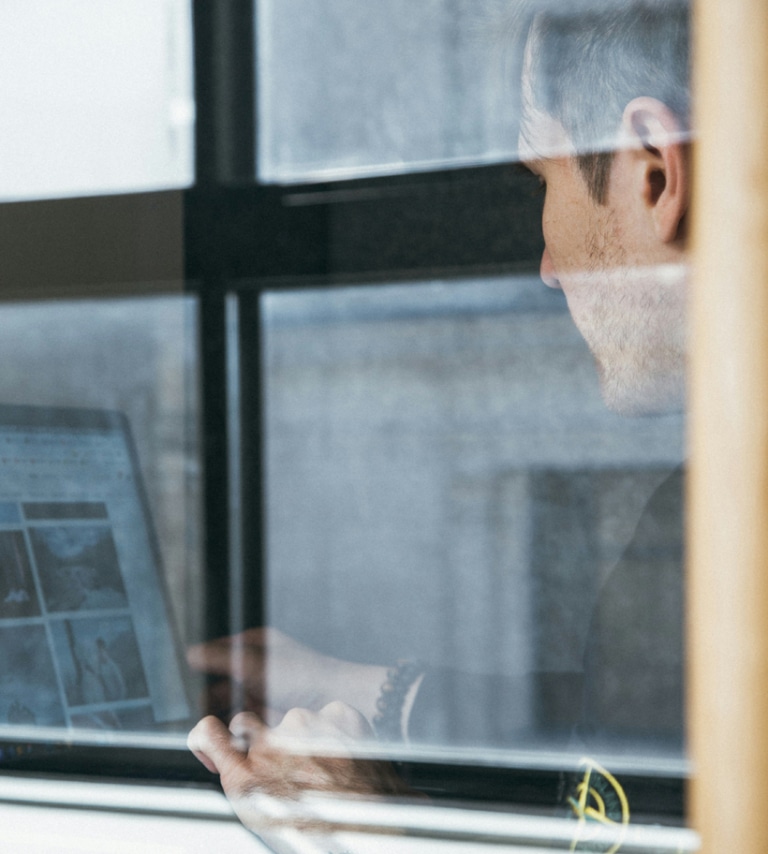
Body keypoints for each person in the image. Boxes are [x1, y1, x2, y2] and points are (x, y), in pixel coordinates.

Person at [188, 0, 691, 831]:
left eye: (546, 176)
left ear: (653, 171)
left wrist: (367, 841)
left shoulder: (723, 536)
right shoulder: (705, 508)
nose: (547, 267)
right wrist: (360, 690)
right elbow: (623, 735)